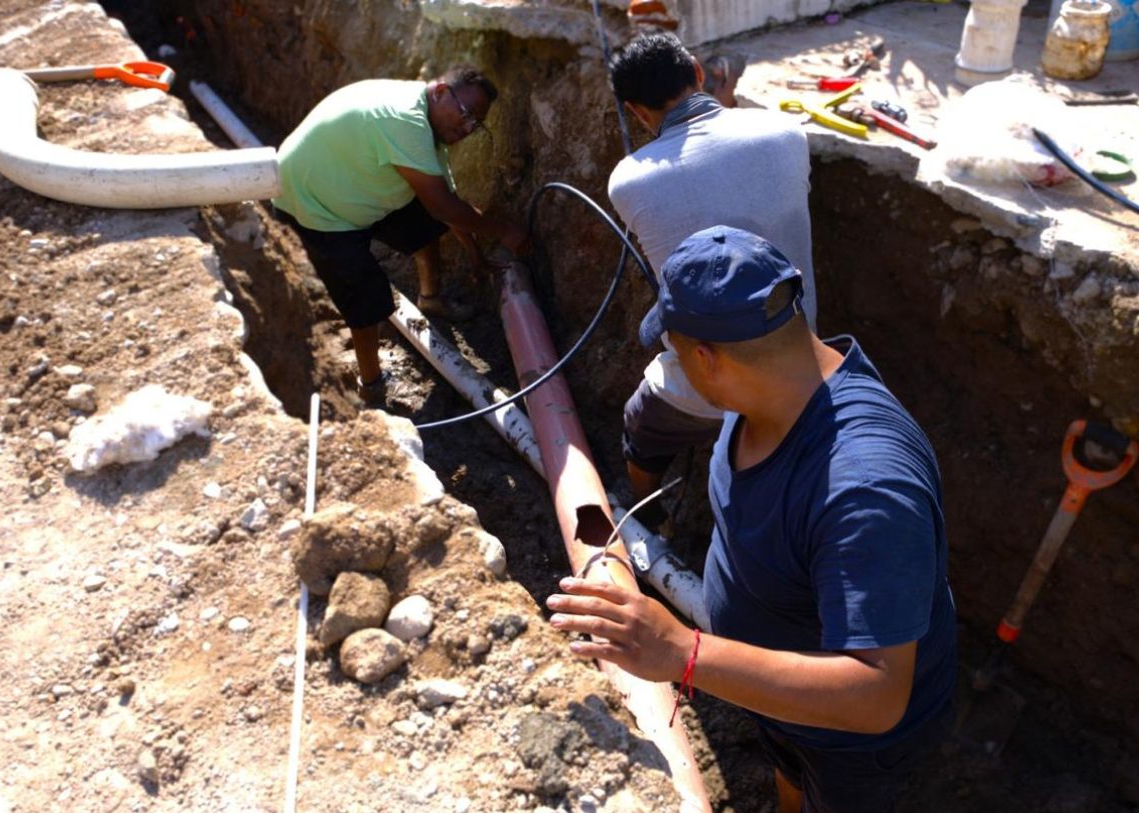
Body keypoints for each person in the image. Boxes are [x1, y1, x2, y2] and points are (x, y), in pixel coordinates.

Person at [547, 227, 958, 813]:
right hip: (780, 700)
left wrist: (683, 653)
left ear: (706, 359)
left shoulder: (864, 488)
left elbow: (875, 696)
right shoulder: (772, 394)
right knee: (788, 769)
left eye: (676, 352)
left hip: (852, 745)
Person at [606, 32, 817, 521]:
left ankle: (644, 515)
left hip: (704, 386)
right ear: (698, 73)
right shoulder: (787, 132)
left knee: (641, 426)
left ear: (637, 111)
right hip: (802, 365)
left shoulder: (628, 180)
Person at [272, 65, 528, 401]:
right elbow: (444, 208)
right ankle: (371, 385)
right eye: (466, 114)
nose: (467, 127)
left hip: (354, 177)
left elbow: (450, 207)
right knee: (367, 298)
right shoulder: (405, 121)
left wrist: (476, 255)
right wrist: (505, 230)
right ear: (439, 92)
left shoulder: (426, 125)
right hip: (315, 204)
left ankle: (430, 299)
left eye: (475, 123)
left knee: (426, 219)